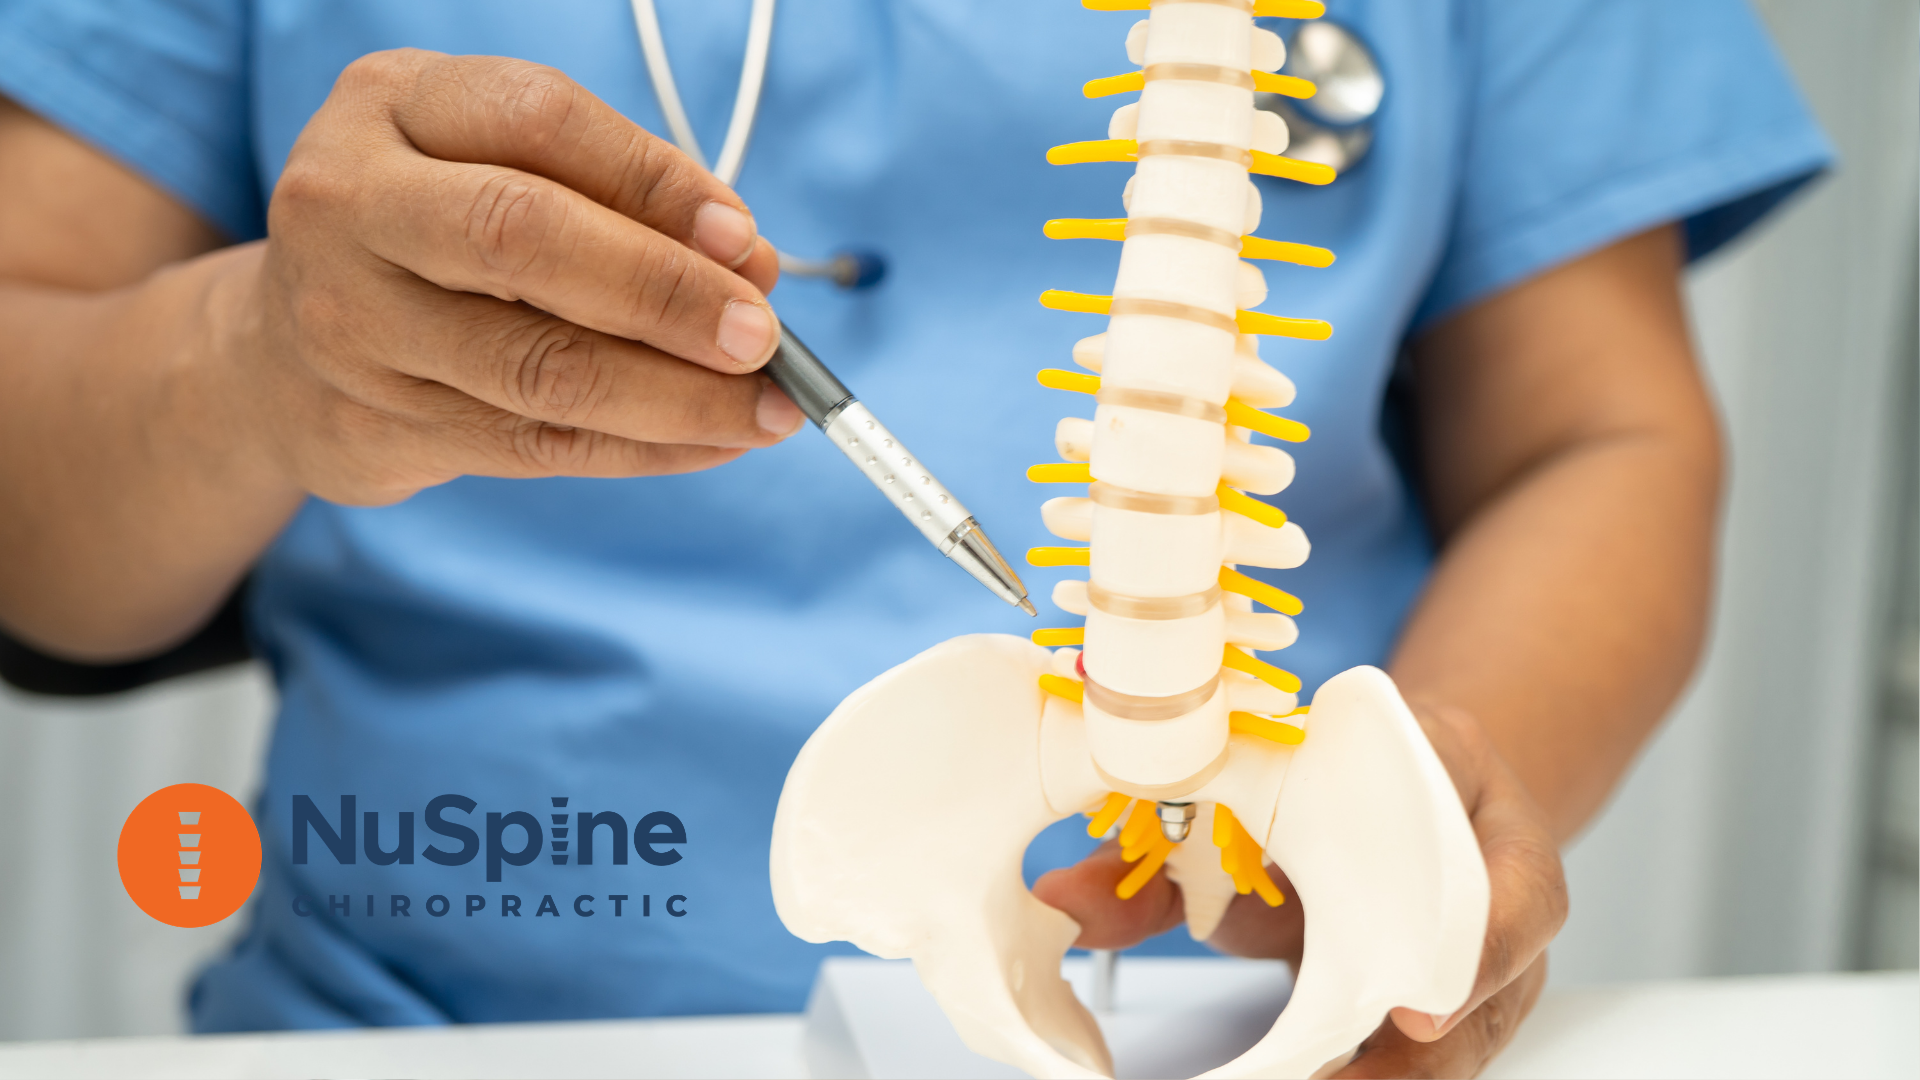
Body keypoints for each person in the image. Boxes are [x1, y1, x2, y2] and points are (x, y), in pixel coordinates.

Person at [0, 1, 1828, 1075]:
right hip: (438, 1023)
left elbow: (1600, 429)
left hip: (1242, 1019)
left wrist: (1406, 835)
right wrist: (251, 358)